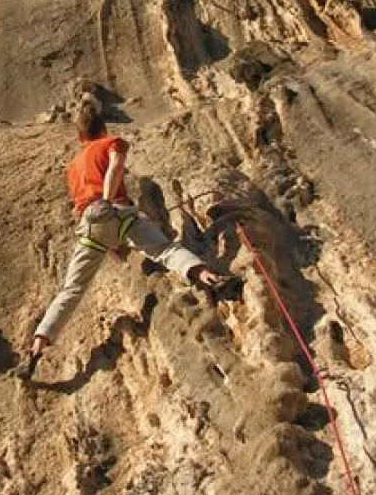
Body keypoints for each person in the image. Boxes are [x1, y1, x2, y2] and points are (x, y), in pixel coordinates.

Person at [16, 99, 232, 381]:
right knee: (165, 250)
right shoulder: (111, 142)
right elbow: (115, 167)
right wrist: (107, 201)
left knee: (72, 289)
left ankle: (35, 350)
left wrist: (106, 228)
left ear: (81, 137)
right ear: (103, 128)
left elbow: (80, 204)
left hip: (91, 225)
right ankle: (209, 277)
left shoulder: (73, 166)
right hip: (119, 213)